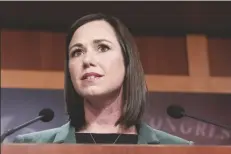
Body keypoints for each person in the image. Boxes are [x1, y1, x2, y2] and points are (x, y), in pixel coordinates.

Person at [13, 13, 193, 145]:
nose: (87, 60)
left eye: (102, 48)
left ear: (127, 59)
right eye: (77, 52)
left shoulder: (179, 149)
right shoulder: (30, 147)